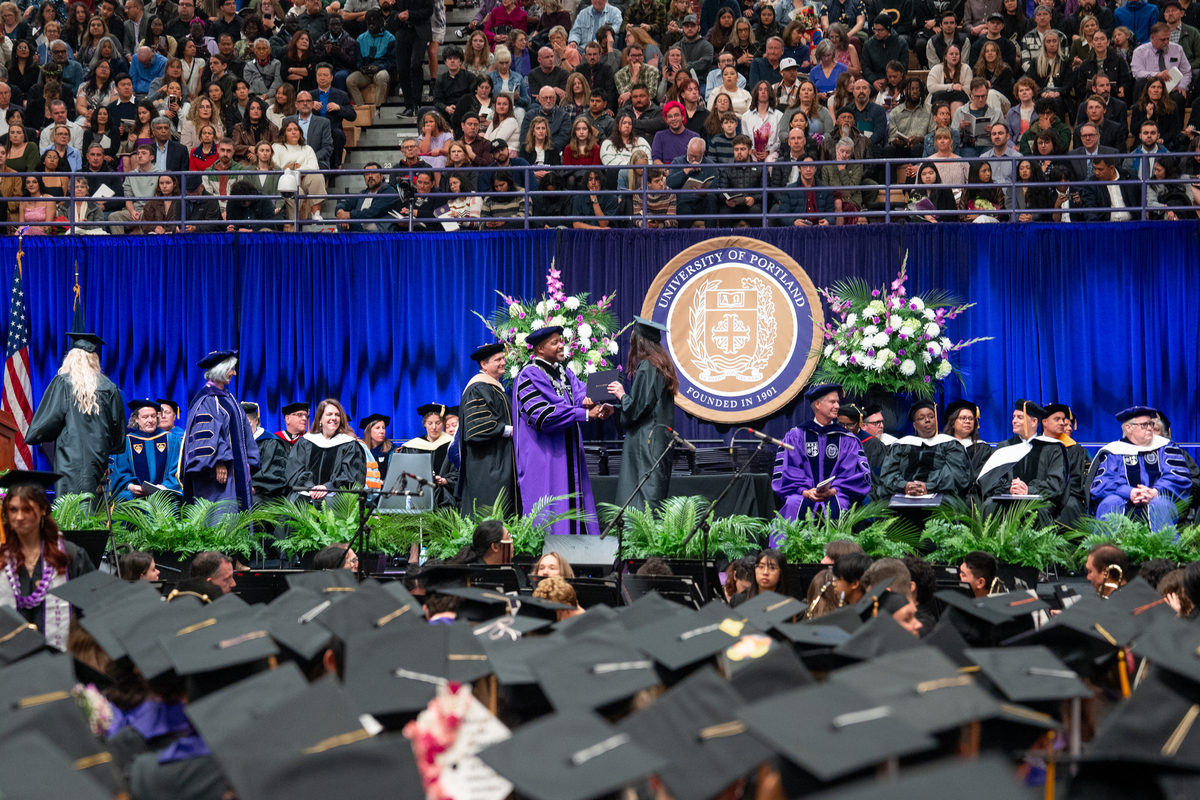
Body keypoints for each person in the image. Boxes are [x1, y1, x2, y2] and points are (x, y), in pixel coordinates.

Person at [514, 326, 611, 535]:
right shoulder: (528, 376)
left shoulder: (563, 373)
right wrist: (584, 414)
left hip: (569, 455)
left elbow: (582, 393)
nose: (561, 346)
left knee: (575, 508)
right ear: (540, 349)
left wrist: (599, 401)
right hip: (544, 458)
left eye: (561, 341)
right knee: (548, 513)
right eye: (555, 342)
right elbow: (542, 416)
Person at [0, 470, 95, 651]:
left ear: (43, 510)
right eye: (13, 509)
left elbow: (92, 610)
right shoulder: (1, 558)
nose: (19, 517)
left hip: (60, 664)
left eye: (27, 509)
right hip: (7, 667)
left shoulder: (70, 556)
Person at [26, 333, 125, 498]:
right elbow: (118, 433)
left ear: (71, 359)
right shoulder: (110, 387)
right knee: (92, 506)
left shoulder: (63, 382)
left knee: (70, 508)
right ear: (94, 360)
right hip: (97, 460)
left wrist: (36, 434)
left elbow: (49, 420)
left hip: (69, 458)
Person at [772, 383, 872, 524]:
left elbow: (854, 473)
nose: (837, 406)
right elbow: (788, 470)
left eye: (837, 402)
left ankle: (839, 547)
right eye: (832, 402)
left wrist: (834, 490)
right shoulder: (796, 436)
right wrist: (805, 491)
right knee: (793, 503)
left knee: (840, 505)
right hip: (803, 495)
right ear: (818, 405)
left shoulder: (846, 438)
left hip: (836, 494)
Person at [605, 317, 676, 514]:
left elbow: (637, 408)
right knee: (652, 495)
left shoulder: (647, 366)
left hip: (645, 445)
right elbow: (650, 409)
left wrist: (621, 395)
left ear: (640, 341)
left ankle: (634, 542)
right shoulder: (663, 365)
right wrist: (618, 409)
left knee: (640, 498)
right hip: (657, 441)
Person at [178, 349, 260, 517]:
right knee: (220, 517)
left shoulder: (228, 398)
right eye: (231, 369)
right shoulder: (207, 400)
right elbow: (206, 436)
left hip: (234, 471)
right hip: (217, 473)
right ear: (221, 370)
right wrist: (218, 461)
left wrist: (248, 462)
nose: (234, 373)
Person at [1091, 405, 1192, 531]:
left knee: (1160, 504)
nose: (1150, 428)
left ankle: (1165, 550)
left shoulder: (1166, 448)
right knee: (1110, 502)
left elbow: (1177, 477)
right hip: (1123, 500)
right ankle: (1107, 550)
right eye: (1144, 425)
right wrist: (1129, 492)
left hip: (1159, 498)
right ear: (1129, 428)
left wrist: (1154, 492)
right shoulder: (1114, 451)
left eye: (1151, 423)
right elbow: (1104, 483)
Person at [976, 400, 1068, 527]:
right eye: (1014, 417)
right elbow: (990, 482)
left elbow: (1056, 484)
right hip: (1006, 499)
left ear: (1034, 421)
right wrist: (1010, 488)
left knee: (1037, 510)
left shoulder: (1051, 448)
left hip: (1038, 501)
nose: (1014, 421)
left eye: (1020, 417)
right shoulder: (1004, 447)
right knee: (989, 505)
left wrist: (1028, 490)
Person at [459, 342, 520, 518]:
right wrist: (511, 430)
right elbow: (478, 427)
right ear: (483, 364)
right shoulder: (478, 388)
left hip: (501, 459)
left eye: (503, 358)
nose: (503, 362)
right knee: (490, 513)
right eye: (497, 359)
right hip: (487, 464)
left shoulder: (495, 387)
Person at [877, 401, 971, 503]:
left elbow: (955, 474)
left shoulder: (951, 445)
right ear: (914, 425)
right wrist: (905, 486)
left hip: (942, 495)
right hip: (902, 494)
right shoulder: (901, 446)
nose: (927, 420)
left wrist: (928, 487)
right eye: (921, 418)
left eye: (931, 417)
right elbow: (888, 475)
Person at [284, 397, 367, 504]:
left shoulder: (349, 444)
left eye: (337, 415)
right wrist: (310, 487)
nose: (334, 418)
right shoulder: (305, 442)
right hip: (305, 493)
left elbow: (352, 476)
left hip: (336, 496)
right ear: (320, 419)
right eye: (329, 414)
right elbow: (294, 471)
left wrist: (327, 487)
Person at [109, 398, 184, 501]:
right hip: (135, 496)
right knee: (125, 498)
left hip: (164, 494)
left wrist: (165, 486)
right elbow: (120, 472)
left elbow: (177, 469)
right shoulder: (126, 442)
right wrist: (131, 486)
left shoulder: (172, 440)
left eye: (153, 416)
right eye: (145, 417)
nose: (150, 420)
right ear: (136, 418)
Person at [399, 402, 456, 506]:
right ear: (424, 423)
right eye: (430, 423)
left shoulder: (452, 445)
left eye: (438, 423)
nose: (434, 427)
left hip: (445, 499)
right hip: (418, 496)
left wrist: (445, 480)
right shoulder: (413, 446)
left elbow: (459, 472)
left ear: (443, 423)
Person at [241, 401, 289, 503]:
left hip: (264, 494)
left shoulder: (270, 442)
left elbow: (273, 473)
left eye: (247, 423)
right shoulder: (233, 442)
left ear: (256, 421)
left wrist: (254, 488)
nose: (243, 427)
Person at [359, 413, 394, 486]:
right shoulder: (360, 450)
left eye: (383, 428)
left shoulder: (392, 450)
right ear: (369, 431)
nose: (382, 431)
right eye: (377, 428)